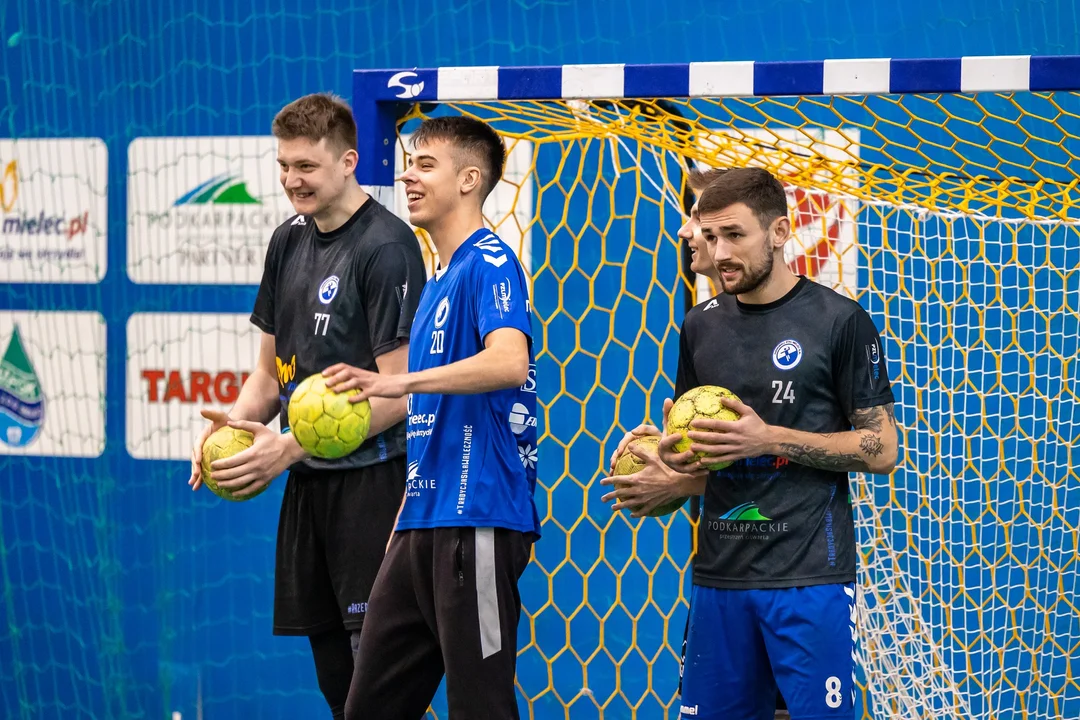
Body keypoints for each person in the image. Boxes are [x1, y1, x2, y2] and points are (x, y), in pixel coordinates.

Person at [187, 92, 428, 720]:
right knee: (333, 680)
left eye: (308, 167)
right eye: (284, 166)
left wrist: (287, 444)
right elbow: (267, 374)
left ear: (348, 161)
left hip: (373, 486)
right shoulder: (285, 240)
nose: (293, 180)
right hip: (309, 490)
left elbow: (400, 392)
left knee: (373, 687)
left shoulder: (388, 247)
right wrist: (235, 433)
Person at [659, 167, 898, 719]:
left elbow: (882, 448)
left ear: (781, 232)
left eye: (735, 235)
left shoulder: (840, 321)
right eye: (711, 236)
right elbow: (707, 455)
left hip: (808, 579)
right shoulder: (700, 325)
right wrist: (668, 468)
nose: (719, 252)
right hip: (720, 576)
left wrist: (768, 437)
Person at [340, 115, 540, 720]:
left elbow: (508, 362)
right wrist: (404, 510)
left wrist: (397, 380)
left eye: (426, 165)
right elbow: (435, 411)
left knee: (480, 709)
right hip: (420, 521)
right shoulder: (439, 278)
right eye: (409, 164)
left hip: (476, 518)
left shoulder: (491, 262)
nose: (408, 175)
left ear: (469, 179)